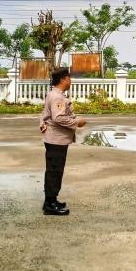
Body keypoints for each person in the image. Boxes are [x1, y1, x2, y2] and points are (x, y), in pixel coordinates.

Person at [39, 67, 87, 215]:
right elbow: (58, 117)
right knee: (55, 171)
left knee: (54, 170)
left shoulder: (53, 94)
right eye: (69, 78)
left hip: (55, 138)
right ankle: (50, 204)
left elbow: (44, 113)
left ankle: (51, 200)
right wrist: (77, 122)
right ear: (63, 80)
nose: (70, 81)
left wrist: (42, 123)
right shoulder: (58, 97)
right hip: (56, 139)